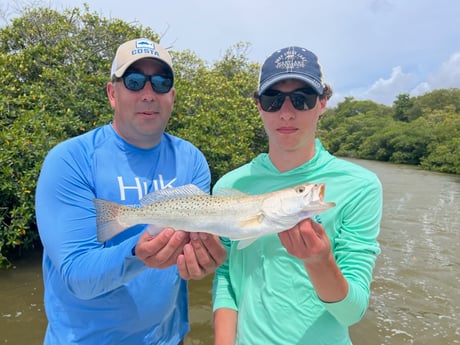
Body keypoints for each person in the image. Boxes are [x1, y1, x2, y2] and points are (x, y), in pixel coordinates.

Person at [35, 38, 226, 345]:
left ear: (172, 96)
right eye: (135, 82)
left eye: (161, 83)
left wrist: (199, 259)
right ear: (113, 93)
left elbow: (190, 252)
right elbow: (76, 276)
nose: (149, 94)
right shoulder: (71, 159)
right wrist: (137, 254)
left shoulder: (191, 160)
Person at [212, 46, 382, 344]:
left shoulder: (361, 186)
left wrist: (320, 261)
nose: (287, 113)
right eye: (273, 100)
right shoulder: (231, 183)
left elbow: (351, 313)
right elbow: (227, 275)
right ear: (259, 106)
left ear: (323, 103)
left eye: (302, 99)